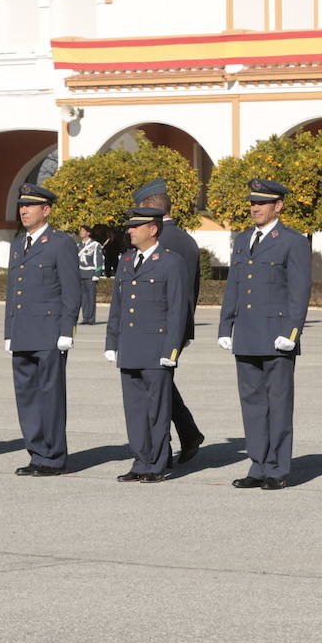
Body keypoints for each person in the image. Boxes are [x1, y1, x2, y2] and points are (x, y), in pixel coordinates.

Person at [217, 178, 311, 490]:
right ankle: (258, 464)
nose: (255, 207)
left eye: (262, 203)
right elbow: (234, 285)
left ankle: (278, 468)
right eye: (252, 203)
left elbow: (299, 292)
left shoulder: (292, 241)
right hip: (246, 333)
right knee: (253, 404)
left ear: (278, 206)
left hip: (276, 336)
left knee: (279, 404)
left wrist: (292, 332)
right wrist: (225, 326)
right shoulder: (243, 240)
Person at [104, 207, 191, 482]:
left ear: (152, 230)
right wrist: (112, 341)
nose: (129, 230)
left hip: (156, 348)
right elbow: (118, 304)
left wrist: (171, 350)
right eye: (129, 226)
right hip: (130, 346)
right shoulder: (127, 260)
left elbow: (178, 309)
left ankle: (156, 463)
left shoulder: (171, 262)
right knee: (135, 410)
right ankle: (140, 460)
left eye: (136, 226)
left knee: (157, 410)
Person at [5, 182, 81, 477]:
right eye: (21, 206)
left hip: (49, 333)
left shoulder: (60, 243)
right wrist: (8, 331)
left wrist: (67, 330)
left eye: (30, 206)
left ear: (46, 210)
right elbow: (14, 291)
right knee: (26, 396)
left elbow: (71, 291)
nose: (23, 211)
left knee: (49, 396)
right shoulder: (17, 244)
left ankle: (53, 457)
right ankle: (36, 453)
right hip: (23, 331)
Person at [133, 177, 205, 463]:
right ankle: (188, 434)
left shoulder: (160, 240)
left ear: (150, 208)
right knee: (161, 383)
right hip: (177, 325)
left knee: (155, 388)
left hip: (157, 327)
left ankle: (161, 449)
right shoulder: (186, 238)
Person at [77, 225, 102, 324]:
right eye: (81, 231)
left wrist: (97, 273)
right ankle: (85, 317)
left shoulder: (95, 245)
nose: (81, 232)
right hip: (81, 274)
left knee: (91, 297)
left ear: (88, 233)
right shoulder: (78, 245)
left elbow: (98, 260)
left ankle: (91, 319)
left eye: (83, 231)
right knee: (84, 298)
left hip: (91, 274)